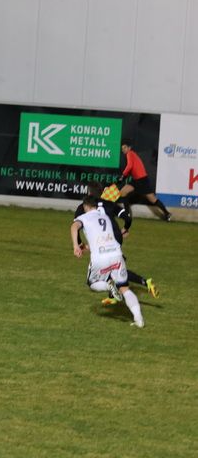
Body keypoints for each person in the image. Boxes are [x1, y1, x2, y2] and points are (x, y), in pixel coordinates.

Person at [74, 181, 158, 305]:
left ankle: (145, 282)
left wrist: (79, 245)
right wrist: (125, 229)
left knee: (108, 270)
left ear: (88, 193)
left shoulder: (83, 207)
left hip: (103, 240)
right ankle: (114, 294)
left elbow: (76, 227)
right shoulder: (109, 203)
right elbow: (127, 217)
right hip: (115, 237)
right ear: (102, 192)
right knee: (114, 268)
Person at [71, 196, 145, 328]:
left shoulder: (84, 217)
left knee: (92, 283)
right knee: (124, 288)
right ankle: (139, 319)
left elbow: (74, 227)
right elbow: (104, 238)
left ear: (85, 206)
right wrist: (88, 247)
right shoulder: (105, 218)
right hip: (116, 255)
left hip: (100, 258)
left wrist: (76, 246)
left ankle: (108, 286)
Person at [118, 138, 172, 221]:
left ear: (129, 148)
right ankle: (127, 214)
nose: (123, 150)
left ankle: (167, 213)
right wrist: (124, 176)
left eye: (125, 147)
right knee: (123, 192)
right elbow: (132, 168)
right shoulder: (131, 155)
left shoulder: (130, 153)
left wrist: (123, 175)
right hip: (136, 180)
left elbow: (129, 166)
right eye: (122, 148)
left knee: (152, 199)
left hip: (142, 180)